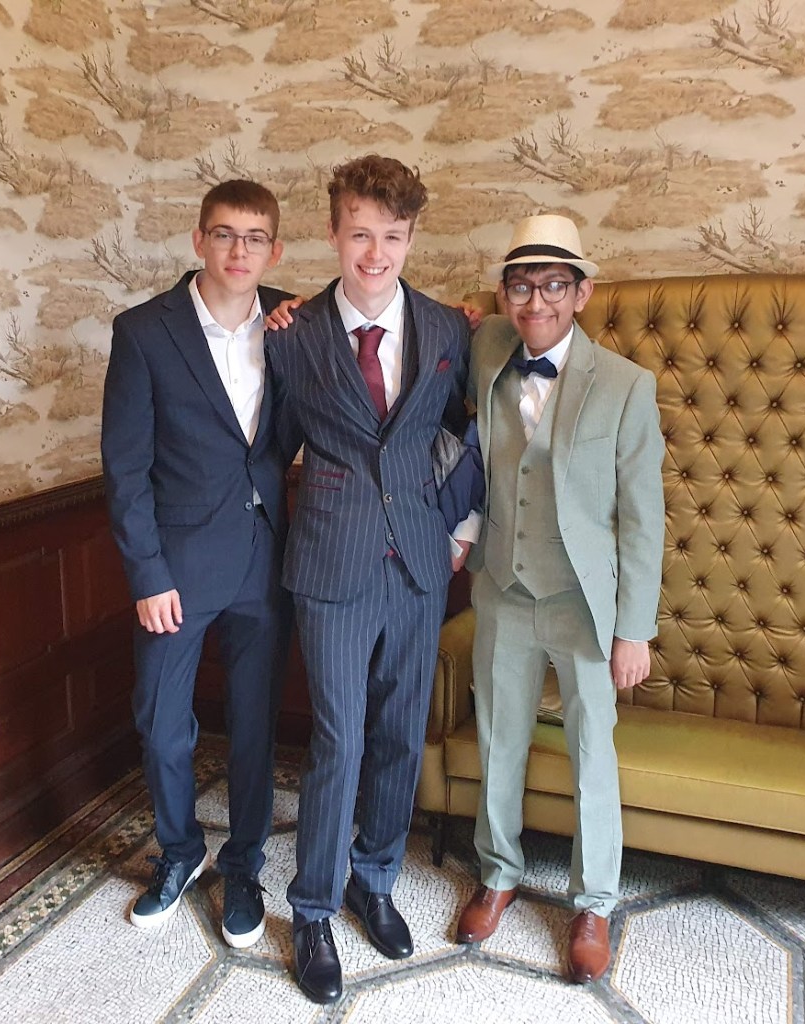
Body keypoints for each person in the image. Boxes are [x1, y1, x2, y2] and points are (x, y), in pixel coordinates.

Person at [265, 154, 469, 1004]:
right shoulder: (291, 332)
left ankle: (372, 879)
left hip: (420, 563)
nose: (374, 252)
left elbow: (470, 435)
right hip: (331, 564)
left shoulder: (450, 329)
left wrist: (460, 527)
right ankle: (312, 907)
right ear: (333, 233)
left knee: (397, 737)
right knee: (338, 742)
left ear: (412, 236)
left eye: (391, 235)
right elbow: (268, 446)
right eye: (359, 233)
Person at [453, 214, 665, 983]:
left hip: (584, 600)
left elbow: (644, 518)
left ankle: (594, 902)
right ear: (503, 293)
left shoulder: (627, 387)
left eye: (552, 284)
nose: (535, 299)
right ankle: (498, 872)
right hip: (503, 586)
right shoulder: (485, 349)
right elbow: (434, 335)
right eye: (520, 284)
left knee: (589, 754)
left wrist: (634, 629)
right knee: (499, 736)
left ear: (582, 292)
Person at [100, 180, 294, 949]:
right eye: (224, 234)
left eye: (254, 237)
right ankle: (179, 852)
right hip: (176, 565)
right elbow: (125, 465)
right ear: (198, 241)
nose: (239, 250)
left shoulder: (294, 321)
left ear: (273, 250)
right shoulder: (145, 331)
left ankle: (243, 864)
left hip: (267, 558)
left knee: (253, 727)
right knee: (161, 722)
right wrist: (146, 573)